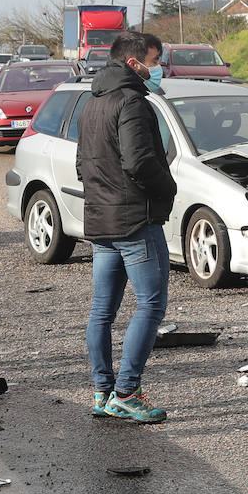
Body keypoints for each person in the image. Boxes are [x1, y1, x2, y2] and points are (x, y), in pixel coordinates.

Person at [76, 31, 177, 423]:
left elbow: (83, 164)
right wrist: (167, 187)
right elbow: (140, 162)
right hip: (135, 220)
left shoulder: (91, 102)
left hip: (102, 220)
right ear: (134, 63)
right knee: (151, 304)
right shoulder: (132, 102)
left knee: (103, 309)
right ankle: (127, 391)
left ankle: (103, 392)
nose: (159, 66)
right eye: (155, 58)